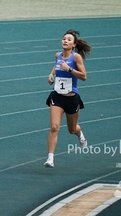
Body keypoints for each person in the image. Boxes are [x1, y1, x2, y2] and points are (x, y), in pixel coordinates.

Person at [44, 29, 91, 168]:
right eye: (64, 38)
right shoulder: (58, 56)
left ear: (74, 44)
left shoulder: (76, 58)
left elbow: (84, 76)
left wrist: (69, 69)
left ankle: (80, 134)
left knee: (72, 129)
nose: (65, 41)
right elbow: (55, 67)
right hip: (57, 97)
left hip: (71, 99)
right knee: (54, 127)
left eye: (69, 39)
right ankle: (50, 159)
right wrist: (51, 75)